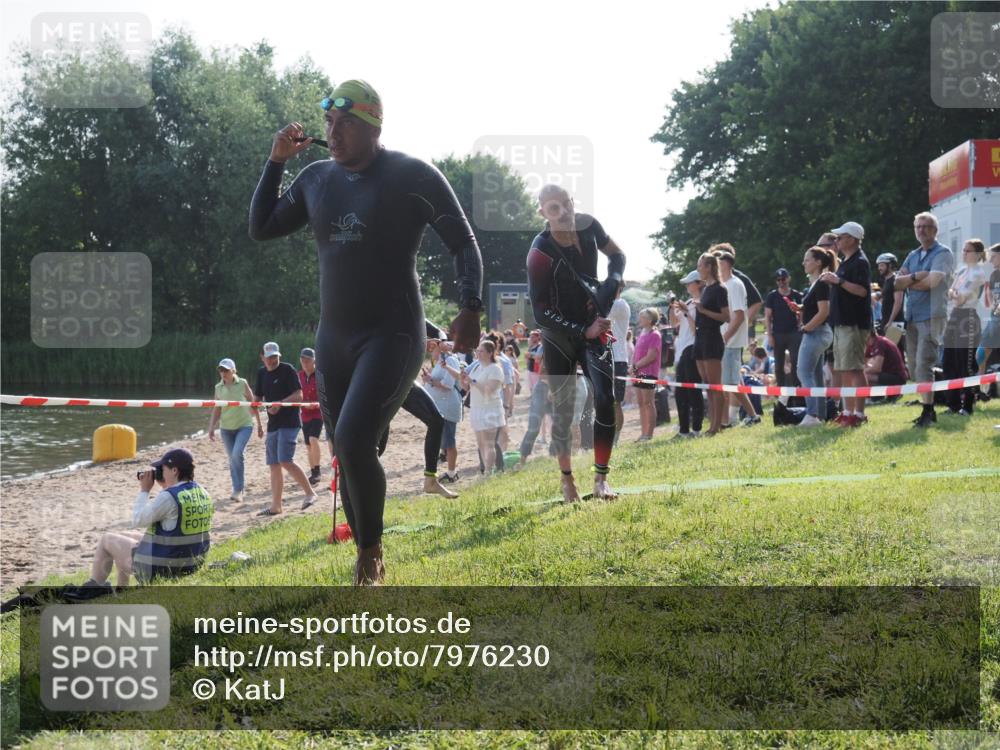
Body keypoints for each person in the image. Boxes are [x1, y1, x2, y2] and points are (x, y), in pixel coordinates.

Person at [249, 80, 483, 585]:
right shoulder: (315, 179)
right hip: (335, 338)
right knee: (348, 449)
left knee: (355, 437)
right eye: (329, 123)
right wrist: (275, 162)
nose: (333, 133)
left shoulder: (411, 175)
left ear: (374, 125)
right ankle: (365, 546)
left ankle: (369, 556)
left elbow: (464, 243)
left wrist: (470, 307)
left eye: (345, 123)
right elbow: (262, 225)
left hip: (394, 332)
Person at [526, 184, 625, 503]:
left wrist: (611, 283)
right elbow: (540, 313)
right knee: (565, 411)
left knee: (606, 399)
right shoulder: (539, 252)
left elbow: (618, 255)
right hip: (559, 336)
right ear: (543, 213)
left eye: (566, 204)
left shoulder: (589, 225)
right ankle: (567, 479)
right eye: (554, 209)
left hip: (594, 321)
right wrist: (584, 332)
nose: (564, 213)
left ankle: (601, 479)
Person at [67, 448, 213, 599]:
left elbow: (138, 520)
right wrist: (166, 484)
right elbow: (174, 522)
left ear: (174, 470)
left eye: (163, 468)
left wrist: (144, 490)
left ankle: (94, 587)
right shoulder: (202, 492)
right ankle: (122, 589)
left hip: (163, 570)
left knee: (107, 540)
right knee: (124, 536)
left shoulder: (168, 497)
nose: (160, 472)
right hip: (191, 563)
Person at [894, 211, 955, 428]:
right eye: (918, 226)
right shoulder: (913, 255)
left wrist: (910, 279)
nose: (921, 230)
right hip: (912, 317)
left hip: (932, 315)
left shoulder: (943, 253)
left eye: (926, 226)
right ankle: (926, 408)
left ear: (935, 231)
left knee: (924, 364)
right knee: (914, 367)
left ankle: (929, 411)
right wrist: (917, 276)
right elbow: (896, 283)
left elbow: (933, 282)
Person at [253, 341, 318, 515]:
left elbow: (299, 395)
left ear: (279, 356)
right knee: (274, 464)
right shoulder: (261, 374)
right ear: (262, 357)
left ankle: (310, 493)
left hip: (290, 422)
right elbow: (257, 396)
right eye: (269, 358)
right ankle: (276, 506)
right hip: (272, 424)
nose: (272, 360)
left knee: (285, 460)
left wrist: (280, 404)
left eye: (275, 357)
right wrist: (255, 403)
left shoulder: (288, 370)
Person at [820, 221, 872, 428]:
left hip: (854, 323)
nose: (837, 241)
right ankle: (848, 411)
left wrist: (838, 281)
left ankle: (859, 414)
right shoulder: (847, 261)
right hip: (841, 323)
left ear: (851, 239)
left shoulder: (860, 262)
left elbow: (862, 291)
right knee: (842, 369)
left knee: (854, 369)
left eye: (840, 237)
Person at [942, 239, 989, 415]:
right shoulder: (962, 271)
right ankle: (952, 404)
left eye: (968, 250)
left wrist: (953, 293)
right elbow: (949, 292)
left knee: (966, 364)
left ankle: (967, 405)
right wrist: (954, 293)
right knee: (949, 361)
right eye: (963, 250)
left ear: (977, 254)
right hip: (954, 317)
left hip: (967, 317)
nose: (964, 253)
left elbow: (960, 297)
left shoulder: (978, 273)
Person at [715, 249, 759, 426]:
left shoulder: (734, 285)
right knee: (734, 382)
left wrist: (725, 338)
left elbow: (739, 315)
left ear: (725, 263)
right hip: (726, 340)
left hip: (730, 342)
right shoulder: (725, 285)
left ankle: (725, 422)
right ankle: (753, 416)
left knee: (728, 384)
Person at [208, 358, 262, 502]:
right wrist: (211, 427)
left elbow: (254, 404)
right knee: (232, 458)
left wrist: (260, 425)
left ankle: (239, 490)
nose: (223, 373)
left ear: (233, 371)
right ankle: (236, 488)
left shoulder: (242, 383)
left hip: (244, 425)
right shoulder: (218, 387)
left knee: (237, 454)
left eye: (226, 370)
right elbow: (217, 408)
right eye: (221, 370)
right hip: (226, 428)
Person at [796, 246, 836, 426]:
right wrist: (800, 308)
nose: (804, 263)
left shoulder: (821, 283)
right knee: (816, 375)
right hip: (819, 332)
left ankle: (812, 414)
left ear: (818, 262)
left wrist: (806, 328)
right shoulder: (815, 284)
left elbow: (824, 312)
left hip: (817, 332)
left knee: (803, 371)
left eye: (807, 259)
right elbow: (816, 308)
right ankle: (819, 414)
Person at [693, 253, 730, 435]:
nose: (698, 269)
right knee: (707, 384)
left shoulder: (720, 289)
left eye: (700, 266)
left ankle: (717, 425)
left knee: (715, 385)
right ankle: (712, 425)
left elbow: (726, 317)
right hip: (700, 337)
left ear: (709, 267)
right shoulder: (705, 289)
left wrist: (703, 310)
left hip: (712, 338)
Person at [423, 337, 464, 485]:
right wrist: (429, 378)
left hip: (447, 407)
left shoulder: (449, 361)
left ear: (438, 348)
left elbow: (448, 384)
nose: (429, 351)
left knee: (449, 441)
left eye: (432, 348)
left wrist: (430, 381)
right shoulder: (439, 361)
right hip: (439, 406)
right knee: (443, 441)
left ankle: (452, 473)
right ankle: (448, 469)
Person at [462, 340, 505, 474]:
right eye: (477, 351)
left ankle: (489, 471)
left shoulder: (495, 369)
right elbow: (466, 388)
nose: (477, 353)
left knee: (489, 443)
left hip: (490, 409)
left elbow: (489, 390)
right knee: (480, 443)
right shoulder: (476, 367)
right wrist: (462, 378)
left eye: (481, 351)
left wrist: (472, 381)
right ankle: (485, 469)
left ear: (490, 353)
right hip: (476, 408)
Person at [670, 269, 704, 438]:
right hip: (682, 350)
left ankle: (696, 429)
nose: (687, 285)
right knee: (680, 392)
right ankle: (683, 430)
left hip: (692, 349)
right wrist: (672, 306)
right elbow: (674, 323)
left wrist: (686, 311)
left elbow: (696, 328)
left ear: (699, 283)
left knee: (693, 390)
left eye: (690, 282)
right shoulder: (690, 302)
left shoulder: (701, 303)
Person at [764, 268, 803, 387]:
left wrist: (800, 325)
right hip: (778, 333)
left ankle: (797, 390)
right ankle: (780, 392)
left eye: (783, 279)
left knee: (796, 361)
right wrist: (770, 335)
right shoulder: (772, 296)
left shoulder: (796, 295)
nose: (781, 282)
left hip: (793, 332)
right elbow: (768, 316)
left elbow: (802, 312)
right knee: (779, 363)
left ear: (788, 279)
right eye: (779, 280)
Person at [631, 307, 663, 441]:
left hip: (648, 373)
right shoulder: (642, 333)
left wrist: (635, 366)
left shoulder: (655, 335)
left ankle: (648, 434)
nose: (640, 320)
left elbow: (651, 356)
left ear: (650, 320)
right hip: (638, 372)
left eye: (642, 317)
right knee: (641, 403)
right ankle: (643, 433)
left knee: (648, 403)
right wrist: (633, 367)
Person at [298, 348, 326, 486]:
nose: (305, 362)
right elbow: (297, 395)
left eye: (308, 360)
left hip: (318, 413)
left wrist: (316, 405)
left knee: (313, 439)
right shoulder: (299, 376)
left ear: (314, 360)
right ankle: (313, 471)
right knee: (308, 445)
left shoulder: (320, 375)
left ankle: (318, 471)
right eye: (303, 360)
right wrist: (303, 404)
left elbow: (326, 394)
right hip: (305, 414)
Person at [609, 283, 631, 442]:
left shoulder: (619, 304)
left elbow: (599, 311)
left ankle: (615, 438)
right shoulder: (613, 304)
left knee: (616, 401)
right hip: (608, 358)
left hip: (618, 359)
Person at [979, 244, 1000, 383]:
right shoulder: (994, 275)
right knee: (981, 351)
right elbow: (991, 300)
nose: (990, 261)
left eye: (993, 257)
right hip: (995, 319)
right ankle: (980, 384)